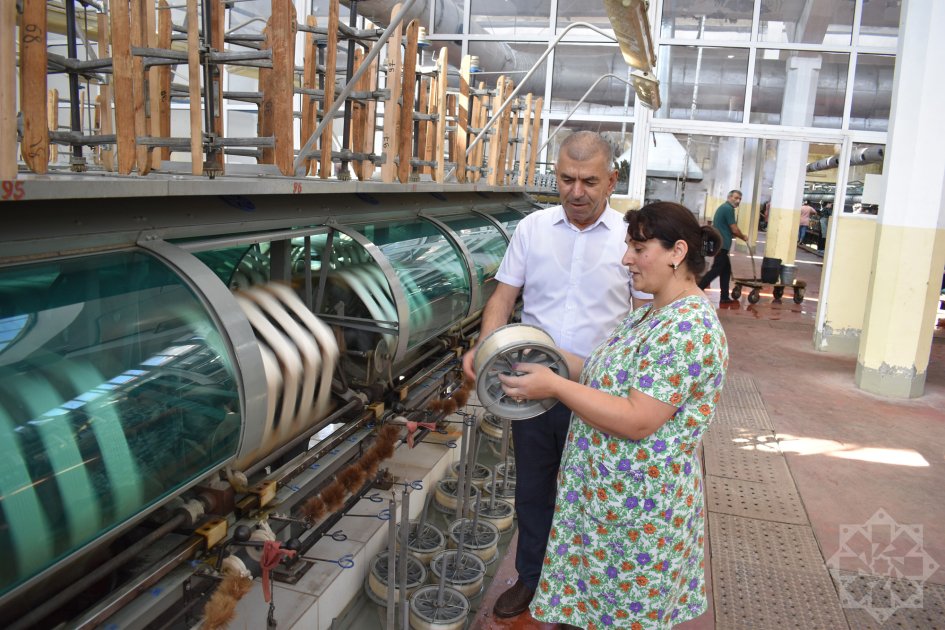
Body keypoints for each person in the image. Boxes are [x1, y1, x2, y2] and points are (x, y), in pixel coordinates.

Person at [499, 202, 729, 629]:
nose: (626, 259)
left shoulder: (688, 327)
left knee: (620, 615)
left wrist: (554, 386)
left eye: (638, 249)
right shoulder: (651, 314)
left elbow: (638, 418)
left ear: (677, 252)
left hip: (638, 518)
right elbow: (605, 373)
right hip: (609, 508)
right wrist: (541, 356)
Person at [462, 131, 638, 619]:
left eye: (589, 182)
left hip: (598, 392)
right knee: (533, 489)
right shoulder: (532, 229)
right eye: (566, 179)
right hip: (532, 388)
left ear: (612, 181)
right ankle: (532, 579)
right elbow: (503, 297)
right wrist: (487, 348)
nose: (576, 192)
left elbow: (646, 316)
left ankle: (585, 594)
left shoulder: (630, 239)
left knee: (595, 495)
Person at [697, 190, 746, 305]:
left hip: (722, 244)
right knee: (716, 270)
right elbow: (734, 228)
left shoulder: (724, 208)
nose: (737, 201)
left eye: (739, 199)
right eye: (735, 198)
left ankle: (724, 297)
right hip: (722, 244)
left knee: (726, 271)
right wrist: (743, 236)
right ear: (729, 197)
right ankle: (698, 290)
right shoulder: (728, 209)